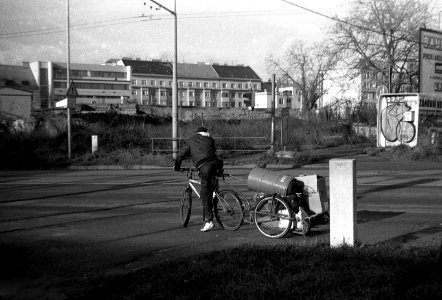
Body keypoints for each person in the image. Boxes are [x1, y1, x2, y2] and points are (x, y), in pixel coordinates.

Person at [174, 127, 223, 232]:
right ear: (205, 133)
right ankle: (215, 195)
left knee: (205, 194)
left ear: (197, 133)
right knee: (212, 185)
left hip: (205, 166)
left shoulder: (192, 139)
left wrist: (177, 166)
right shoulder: (210, 139)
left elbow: (181, 154)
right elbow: (211, 152)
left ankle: (209, 221)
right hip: (216, 164)